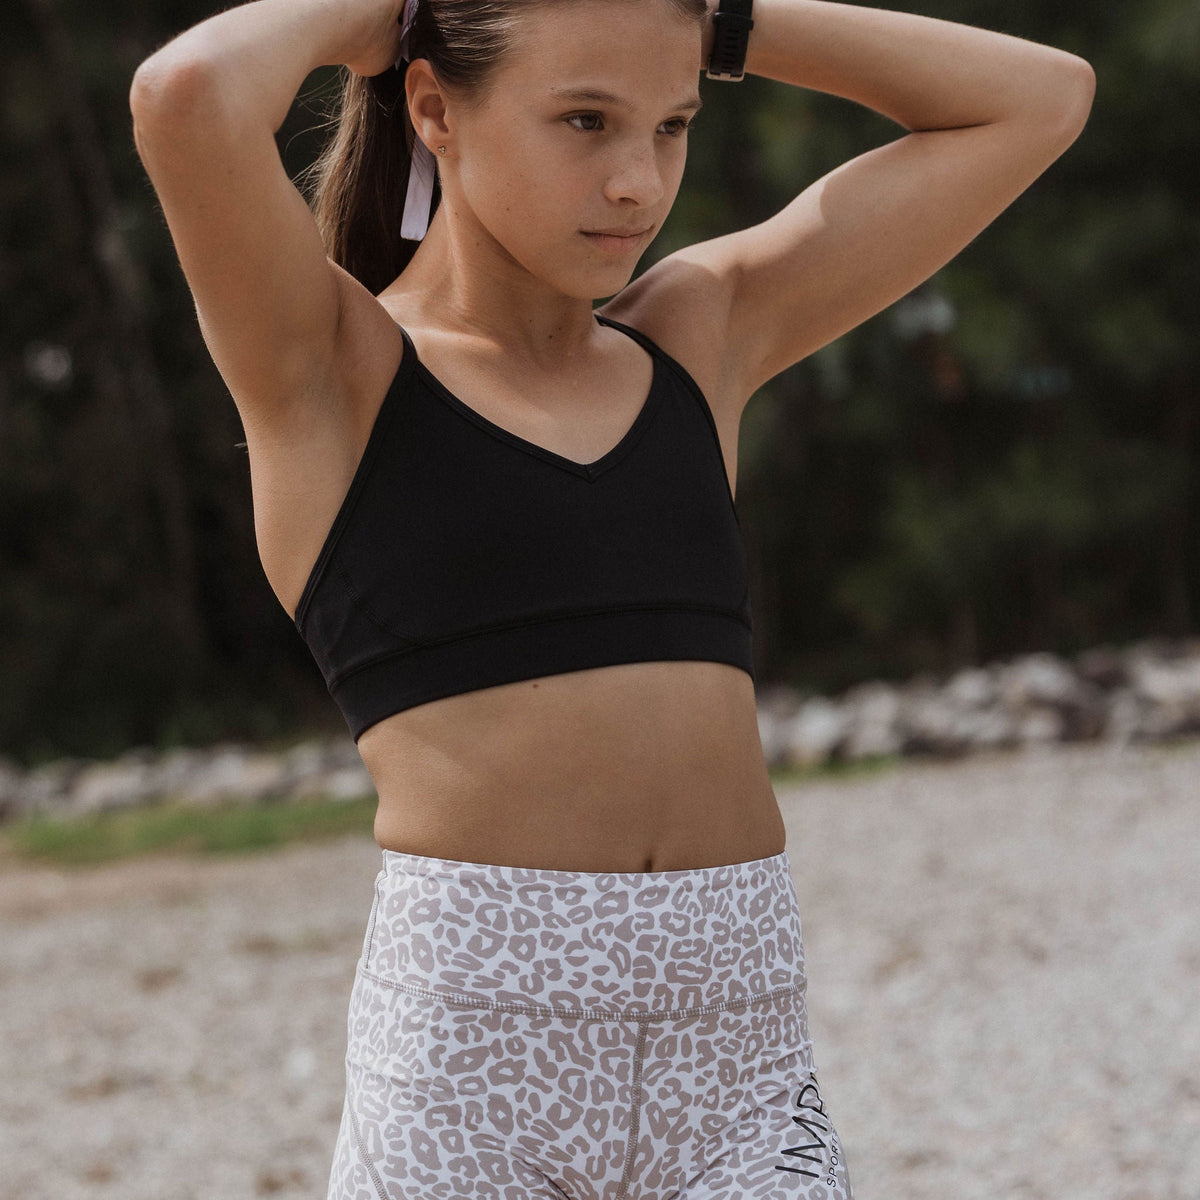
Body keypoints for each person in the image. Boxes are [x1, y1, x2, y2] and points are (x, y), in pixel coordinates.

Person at [129, 0, 1093, 1194]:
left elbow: (1041, 99)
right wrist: (393, 12)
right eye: (585, 120)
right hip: (473, 1087)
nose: (639, 182)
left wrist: (715, 18)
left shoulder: (698, 335)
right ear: (434, 108)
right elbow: (186, 94)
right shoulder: (335, 372)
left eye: (672, 125)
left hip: (738, 1078)